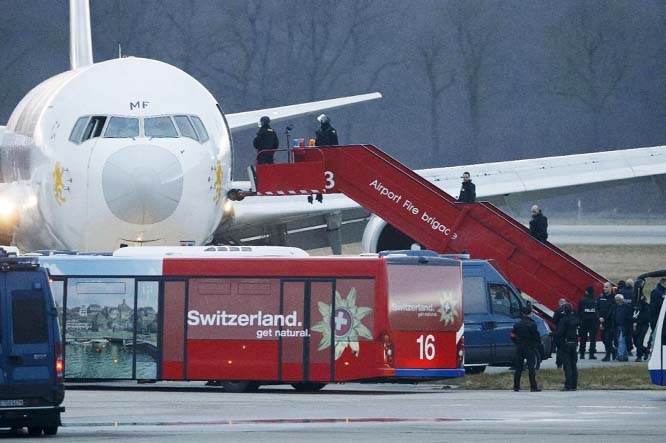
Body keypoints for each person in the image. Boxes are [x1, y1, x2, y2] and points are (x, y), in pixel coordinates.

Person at [511, 305, 541, 392]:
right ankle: (533, 387)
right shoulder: (532, 324)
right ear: (530, 313)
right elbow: (536, 337)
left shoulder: (517, 325)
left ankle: (516, 386)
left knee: (518, 367)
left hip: (520, 348)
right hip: (529, 348)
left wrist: (517, 343)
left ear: (522, 313)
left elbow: (512, 336)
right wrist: (535, 345)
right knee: (531, 367)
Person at [555, 303, 579, 391]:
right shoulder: (575, 320)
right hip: (574, 343)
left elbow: (560, 332)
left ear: (564, 311)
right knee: (574, 365)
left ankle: (568, 385)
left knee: (567, 366)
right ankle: (574, 385)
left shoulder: (563, 320)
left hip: (566, 344)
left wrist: (552, 334)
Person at [577, 286, 599, 359]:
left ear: (586, 292)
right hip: (593, 322)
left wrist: (579, 320)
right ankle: (591, 354)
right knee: (593, 339)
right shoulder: (596, 300)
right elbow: (598, 311)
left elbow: (579, 311)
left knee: (583, 338)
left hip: (584, 322)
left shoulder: (582, 300)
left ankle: (582, 354)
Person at [610, 294, 632, 361]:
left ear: (622, 300)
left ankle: (620, 355)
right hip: (617, 326)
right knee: (620, 341)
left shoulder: (627, 307)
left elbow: (629, 317)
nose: (617, 301)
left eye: (618, 300)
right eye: (616, 300)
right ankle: (625, 356)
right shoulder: (614, 307)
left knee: (621, 340)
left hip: (624, 326)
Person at [597, 281, 616, 361]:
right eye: (604, 287)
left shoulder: (614, 298)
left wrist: (605, 318)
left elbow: (612, 310)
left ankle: (608, 355)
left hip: (610, 322)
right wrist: (599, 317)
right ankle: (613, 351)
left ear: (610, 288)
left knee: (608, 339)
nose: (605, 289)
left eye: (606, 287)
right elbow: (597, 308)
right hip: (601, 321)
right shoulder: (600, 297)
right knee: (603, 338)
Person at [648, 278, 666, 351]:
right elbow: (655, 306)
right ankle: (650, 348)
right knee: (656, 334)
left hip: (663, 318)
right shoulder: (656, 292)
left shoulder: (663, 291)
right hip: (657, 318)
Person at [632, 295, 651, 362]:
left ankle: (639, 356)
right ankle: (646, 350)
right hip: (634, 325)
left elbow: (646, 316)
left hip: (643, 325)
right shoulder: (634, 304)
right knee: (635, 342)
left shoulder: (646, 306)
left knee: (640, 341)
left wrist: (638, 322)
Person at [551, 298, 567, 368]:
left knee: (559, 349)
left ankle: (559, 363)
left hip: (559, 331)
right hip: (568, 332)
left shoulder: (557, 311)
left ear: (559, 303)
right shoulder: (570, 310)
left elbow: (554, 321)